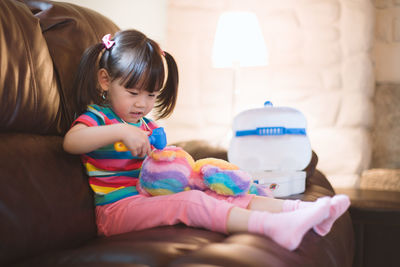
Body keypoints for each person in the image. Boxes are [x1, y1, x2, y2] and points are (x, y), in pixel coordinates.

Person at [63, 29, 350, 251]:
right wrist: (120, 132)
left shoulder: (145, 125)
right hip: (116, 211)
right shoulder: (99, 119)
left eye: (151, 95)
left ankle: (301, 211)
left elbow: (159, 169)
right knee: (190, 203)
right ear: (104, 80)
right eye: (133, 92)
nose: (142, 103)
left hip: (146, 198)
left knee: (221, 193)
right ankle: (272, 227)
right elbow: (71, 142)